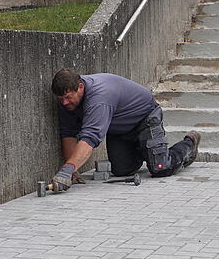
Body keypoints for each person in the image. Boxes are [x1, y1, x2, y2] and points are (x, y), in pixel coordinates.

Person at [49, 69, 201, 192]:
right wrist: (72, 173)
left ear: (80, 86)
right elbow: (68, 133)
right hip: (120, 129)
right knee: (122, 170)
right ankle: (147, 150)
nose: (64, 102)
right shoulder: (67, 102)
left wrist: (66, 170)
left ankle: (189, 144)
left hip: (144, 119)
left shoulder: (99, 97)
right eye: (60, 99)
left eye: (68, 97)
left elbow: (90, 137)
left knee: (161, 168)